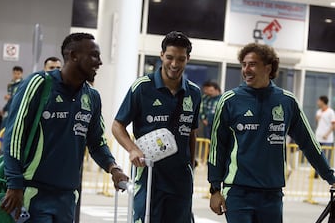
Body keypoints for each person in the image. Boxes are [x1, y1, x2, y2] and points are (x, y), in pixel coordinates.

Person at [1, 33, 128, 222]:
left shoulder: (92, 97)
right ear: (73, 55)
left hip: (68, 198)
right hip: (33, 194)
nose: (100, 62)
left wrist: (113, 168)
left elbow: (96, 142)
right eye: (94, 55)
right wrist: (14, 184)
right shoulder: (39, 84)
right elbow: (14, 137)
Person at [208, 43, 335, 223]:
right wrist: (215, 189)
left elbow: (308, 143)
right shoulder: (229, 100)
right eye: (244, 64)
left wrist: (330, 177)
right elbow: (217, 147)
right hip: (237, 192)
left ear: (268, 68)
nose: (246, 69)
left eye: (252, 64)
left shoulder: (287, 101)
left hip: (272, 195)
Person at [112, 31, 201, 223]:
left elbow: (192, 134)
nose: (175, 64)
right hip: (150, 177)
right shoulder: (142, 87)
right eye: (169, 57)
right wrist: (133, 149)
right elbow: (117, 125)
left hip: (181, 182)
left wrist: (190, 168)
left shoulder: (194, 93)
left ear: (188, 59)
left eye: (181, 59)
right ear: (161, 55)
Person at [315, 95, 335, 164]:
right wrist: (317, 119)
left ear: (322, 101)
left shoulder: (330, 112)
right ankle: (316, 173)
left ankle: (325, 174)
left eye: (318, 101)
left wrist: (326, 134)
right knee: (317, 157)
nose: (317, 102)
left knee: (326, 158)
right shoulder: (318, 112)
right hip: (318, 138)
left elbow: (333, 125)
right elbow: (318, 124)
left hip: (327, 140)